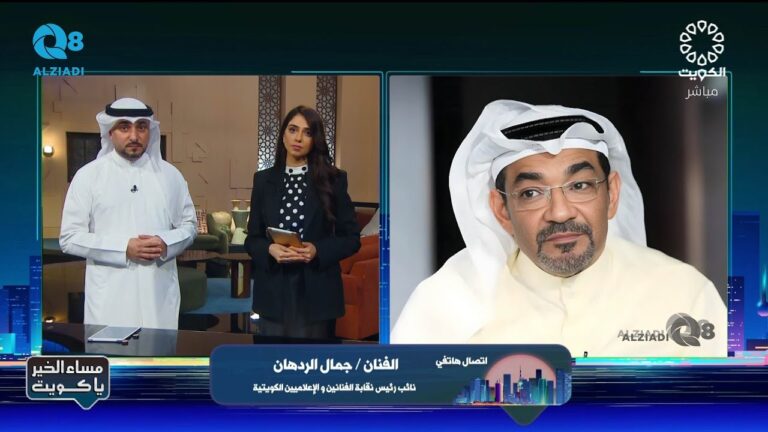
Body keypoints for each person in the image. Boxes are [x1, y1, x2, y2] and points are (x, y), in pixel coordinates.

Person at [391, 100, 727, 357]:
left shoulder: (684, 293)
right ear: (501, 210)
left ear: (612, 194)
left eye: (579, 186)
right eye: (531, 193)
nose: (560, 212)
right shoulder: (444, 305)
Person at [60, 97, 197, 330]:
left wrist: (165, 242)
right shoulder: (88, 176)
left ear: (149, 131)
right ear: (110, 132)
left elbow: (190, 226)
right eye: (124, 127)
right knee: (111, 351)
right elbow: (69, 237)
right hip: (109, 299)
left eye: (141, 127)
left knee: (159, 352)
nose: (134, 136)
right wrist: (124, 247)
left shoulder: (171, 175)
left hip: (159, 296)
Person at [245, 106, 360, 339]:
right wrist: (269, 249)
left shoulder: (334, 179)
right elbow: (252, 239)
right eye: (292, 129)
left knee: (311, 360)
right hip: (273, 291)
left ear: (315, 140)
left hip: (317, 291)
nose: (298, 138)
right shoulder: (263, 180)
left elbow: (351, 239)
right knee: (271, 359)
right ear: (283, 135)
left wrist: (317, 249)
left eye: (307, 133)